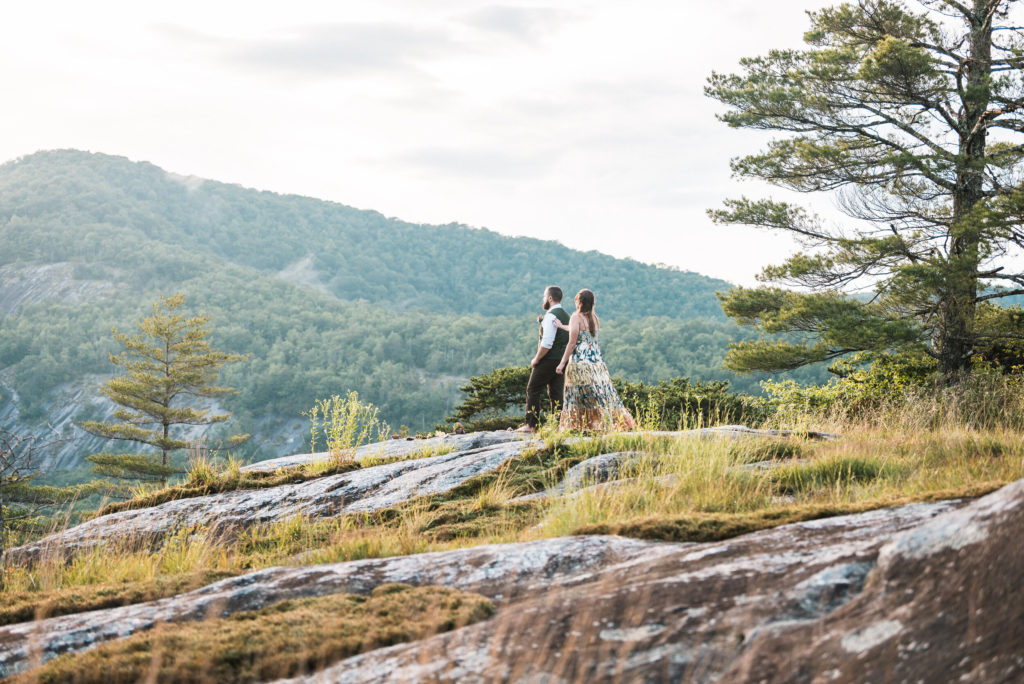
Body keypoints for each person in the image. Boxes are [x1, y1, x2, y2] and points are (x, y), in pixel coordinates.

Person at [555, 289, 636, 432]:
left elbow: (572, 342)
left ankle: (579, 426)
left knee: (577, 396)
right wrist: (562, 326)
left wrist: (562, 363)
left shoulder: (576, 317)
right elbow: (580, 332)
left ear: (579, 302)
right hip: (596, 364)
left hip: (581, 363)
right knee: (601, 394)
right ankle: (604, 424)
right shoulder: (594, 318)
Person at [515, 286, 571, 433]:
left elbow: (547, 343)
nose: (543, 299)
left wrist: (536, 359)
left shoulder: (551, 316)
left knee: (533, 389)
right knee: (556, 393)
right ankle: (557, 426)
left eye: (544, 296)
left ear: (550, 298)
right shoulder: (566, 315)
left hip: (549, 359)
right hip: (562, 360)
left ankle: (531, 425)